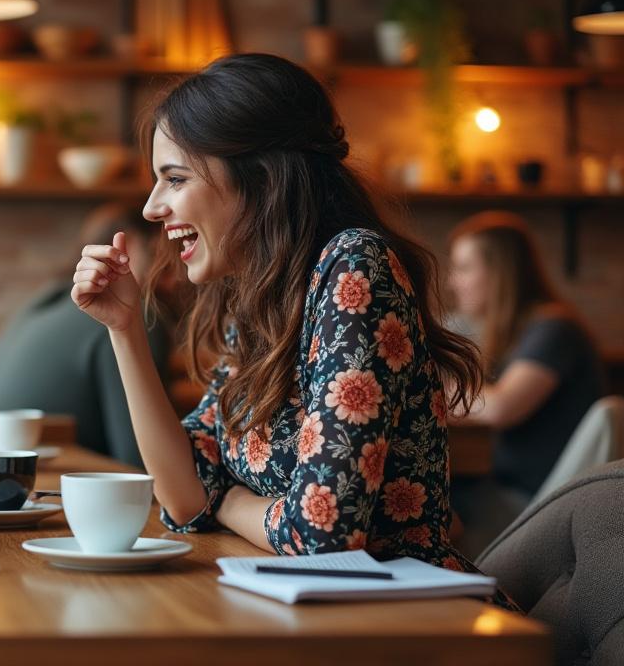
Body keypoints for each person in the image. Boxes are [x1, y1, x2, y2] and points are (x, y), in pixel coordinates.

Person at [69, 53, 507, 594]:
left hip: (412, 620)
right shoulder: (257, 298)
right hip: (316, 612)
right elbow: (183, 496)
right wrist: (125, 328)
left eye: (174, 179)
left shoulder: (355, 267)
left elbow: (322, 538)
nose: (152, 208)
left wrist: (225, 498)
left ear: (259, 176)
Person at [446, 211, 607, 552]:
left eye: (463, 268)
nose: (452, 282)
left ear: (500, 272)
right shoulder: (523, 331)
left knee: (429, 500)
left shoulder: (554, 328)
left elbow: (502, 406)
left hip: (532, 500)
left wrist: (426, 392)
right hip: (509, 490)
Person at [0, 202, 177, 467]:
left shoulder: (44, 302)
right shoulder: (135, 316)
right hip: (49, 486)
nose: (178, 279)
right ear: (128, 249)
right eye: (166, 261)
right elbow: (143, 463)